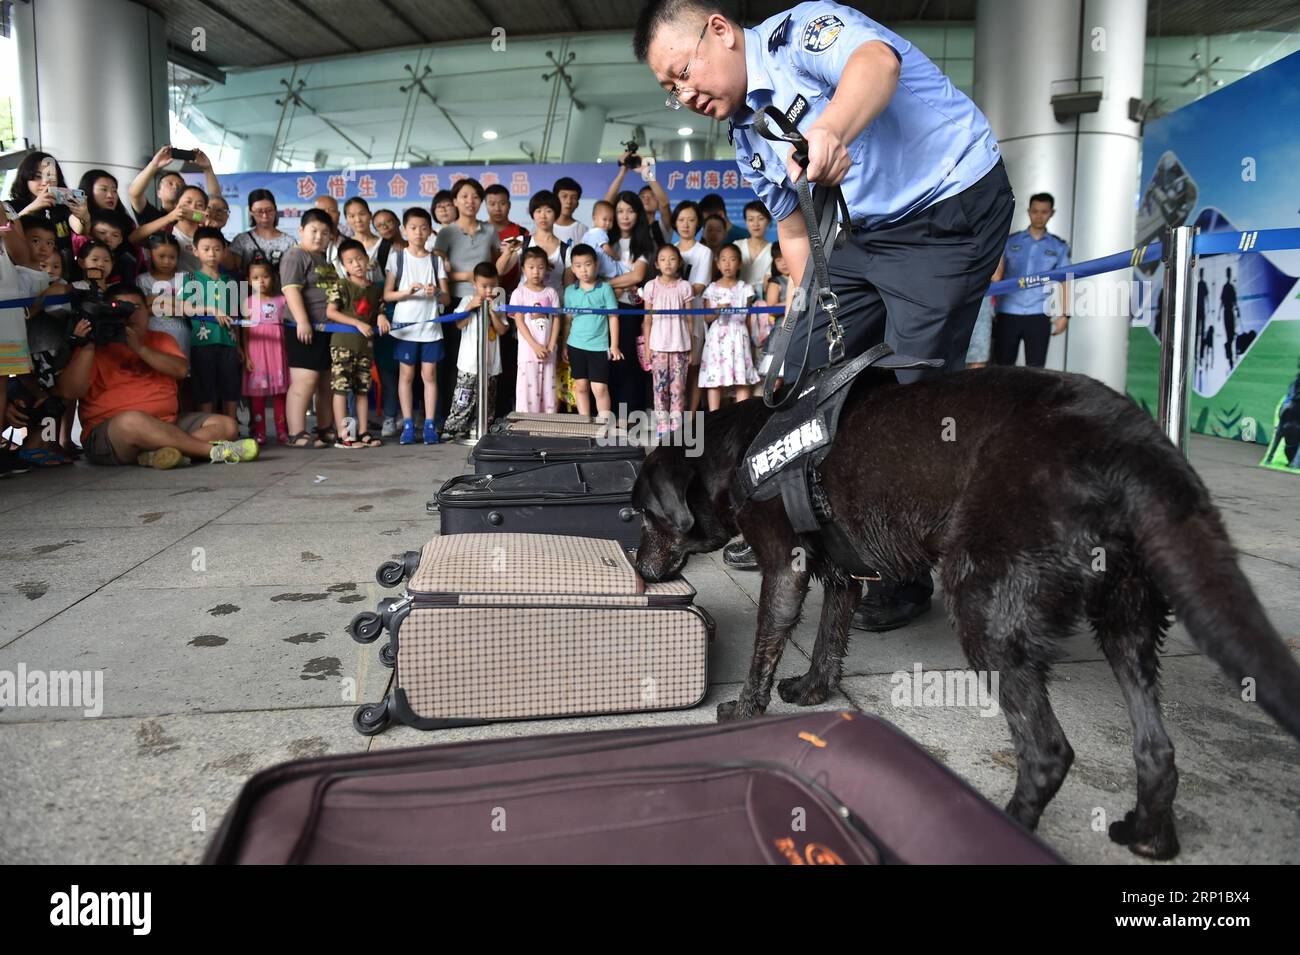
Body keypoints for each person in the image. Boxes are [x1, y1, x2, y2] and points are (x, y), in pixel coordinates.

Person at [636, 0, 1014, 631]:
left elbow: (876, 64)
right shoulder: (746, 136)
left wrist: (831, 127)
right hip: (860, 232)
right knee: (798, 384)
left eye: (682, 73)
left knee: (909, 398)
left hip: (948, 204)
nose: (683, 94)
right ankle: (799, 532)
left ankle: (907, 570)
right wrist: (804, 310)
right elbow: (792, 230)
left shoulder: (798, 37)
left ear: (720, 32)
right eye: (671, 91)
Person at [57, 284, 256, 467]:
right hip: (112, 433)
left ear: (148, 311)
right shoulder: (93, 346)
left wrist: (140, 349)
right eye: (121, 309)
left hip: (167, 422)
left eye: (136, 308)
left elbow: (179, 370)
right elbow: (69, 392)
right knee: (132, 421)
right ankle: (214, 451)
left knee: (226, 425)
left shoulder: (161, 339)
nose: (130, 314)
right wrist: (87, 347)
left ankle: (157, 454)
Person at [434, 178, 501, 430]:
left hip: (486, 303)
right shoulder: (447, 232)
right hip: (458, 305)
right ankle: (451, 421)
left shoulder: (490, 230)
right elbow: (439, 272)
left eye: (475, 197)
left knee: (484, 363)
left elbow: (493, 269)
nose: (469, 201)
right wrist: (470, 276)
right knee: (456, 363)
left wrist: (508, 255)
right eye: (464, 196)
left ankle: (481, 419)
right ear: (455, 201)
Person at [385, 207, 448, 445]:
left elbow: (447, 299)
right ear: (404, 230)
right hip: (406, 329)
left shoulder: (436, 260)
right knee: (407, 375)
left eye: (423, 228)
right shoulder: (397, 258)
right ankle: (409, 424)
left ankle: (430, 424)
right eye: (413, 228)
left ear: (430, 231)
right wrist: (406, 292)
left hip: (431, 329)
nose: (418, 232)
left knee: (429, 375)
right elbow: (387, 295)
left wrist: (437, 292)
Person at [280, 208, 340, 448]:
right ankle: (296, 433)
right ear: (301, 231)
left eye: (325, 233)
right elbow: (290, 289)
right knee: (305, 380)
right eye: (313, 231)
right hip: (303, 328)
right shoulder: (296, 255)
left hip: (326, 330)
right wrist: (302, 321)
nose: (319, 237)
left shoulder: (324, 260)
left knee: (326, 382)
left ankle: (324, 429)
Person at [994, 193, 1070, 367]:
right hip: (1007, 312)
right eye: (1035, 211)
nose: (1039, 216)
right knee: (1001, 371)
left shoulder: (1059, 246)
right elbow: (996, 276)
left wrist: (1065, 315)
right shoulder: (1008, 242)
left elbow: (1065, 280)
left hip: (1038, 314)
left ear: (1052, 213)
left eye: (1044, 212)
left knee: (1036, 372)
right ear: (1029, 212)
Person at [326, 239, 388, 448]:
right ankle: (343, 434)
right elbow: (331, 312)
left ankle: (362, 432)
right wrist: (358, 323)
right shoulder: (342, 284)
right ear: (344, 266)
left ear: (367, 260)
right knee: (341, 389)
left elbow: (379, 309)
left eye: (360, 259)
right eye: (350, 261)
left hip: (365, 347)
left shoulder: (374, 288)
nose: (357, 264)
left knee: (363, 389)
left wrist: (381, 317)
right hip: (343, 345)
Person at [443, 263, 509, 440]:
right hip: (469, 363)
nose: (488, 290)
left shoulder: (499, 303)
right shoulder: (466, 300)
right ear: (474, 284)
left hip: (490, 363)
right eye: (483, 286)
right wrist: (470, 306)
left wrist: (493, 312)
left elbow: (502, 330)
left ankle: (480, 428)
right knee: (463, 397)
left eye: (491, 286)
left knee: (487, 399)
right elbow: (459, 324)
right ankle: (453, 429)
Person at [183, 226, 243, 421]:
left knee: (231, 388)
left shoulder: (231, 281)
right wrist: (211, 310)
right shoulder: (190, 279)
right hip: (202, 344)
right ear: (195, 250)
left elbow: (235, 317)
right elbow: (186, 307)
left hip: (229, 343)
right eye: (206, 248)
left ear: (225, 251)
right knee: (205, 389)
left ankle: (232, 429)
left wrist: (240, 346)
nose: (212, 253)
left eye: (217, 249)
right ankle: (207, 429)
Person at [641, 244, 694, 434]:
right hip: (658, 346)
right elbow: (647, 320)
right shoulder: (651, 287)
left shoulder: (685, 287)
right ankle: (662, 425)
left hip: (680, 345)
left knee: (678, 388)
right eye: (663, 259)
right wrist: (647, 347)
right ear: (656, 264)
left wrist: (692, 346)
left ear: (679, 262)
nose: (668, 263)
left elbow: (690, 319)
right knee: (660, 386)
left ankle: (677, 425)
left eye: (672, 259)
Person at [563, 244, 621, 418]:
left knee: (600, 388)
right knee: (580, 386)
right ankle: (584, 425)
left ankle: (604, 425)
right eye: (578, 265)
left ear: (596, 264)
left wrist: (615, 345)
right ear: (572, 268)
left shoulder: (605, 289)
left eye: (587, 264)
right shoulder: (569, 291)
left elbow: (613, 317)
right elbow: (567, 320)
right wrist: (564, 345)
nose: (583, 270)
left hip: (599, 347)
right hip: (575, 345)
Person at [699, 243, 759, 409]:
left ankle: (742, 416)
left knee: (742, 378)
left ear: (739, 263)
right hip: (717, 338)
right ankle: (714, 415)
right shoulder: (711, 289)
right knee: (714, 378)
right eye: (723, 260)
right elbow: (707, 317)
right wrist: (717, 310)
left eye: (732, 259)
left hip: (739, 335)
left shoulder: (745, 288)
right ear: (717, 264)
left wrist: (752, 342)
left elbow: (747, 317)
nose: (727, 264)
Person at [241, 257, 290, 444]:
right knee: (258, 397)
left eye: (265, 277)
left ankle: (281, 431)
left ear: (274, 278)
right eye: (255, 277)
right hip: (256, 353)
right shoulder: (247, 302)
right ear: (248, 280)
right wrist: (246, 355)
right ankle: (259, 432)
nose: (261, 281)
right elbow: (244, 331)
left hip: (277, 352)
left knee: (280, 394)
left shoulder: (282, 300)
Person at [671, 199, 713, 412]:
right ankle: (675, 411)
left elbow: (698, 286)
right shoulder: (670, 250)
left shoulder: (703, 252)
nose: (686, 224)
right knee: (674, 367)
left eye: (691, 220)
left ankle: (691, 414)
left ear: (698, 224)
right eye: (681, 219)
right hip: (669, 318)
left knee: (693, 365)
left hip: (693, 313)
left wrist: (672, 293)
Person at [509, 246, 561, 414]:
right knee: (528, 393)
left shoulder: (551, 293)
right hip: (528, 353)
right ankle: (526, 428)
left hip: (548, 352)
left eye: (540, 267)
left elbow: (557, 319)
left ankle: (547, 429)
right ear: (523, 268)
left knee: (549, 394)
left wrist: (552, 343)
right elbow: (519, 322)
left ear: (546, 268)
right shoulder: (519, 293)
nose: (536, 272)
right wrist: (534, 346)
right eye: (531, 267)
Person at [127, 146, 222, 227]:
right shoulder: (152, 216)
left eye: (180, 185)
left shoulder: (194, 216)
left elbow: (215, 200)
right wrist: (154, 165)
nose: (176, 187)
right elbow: (135, 194)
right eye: (170, 184)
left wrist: (208, 169)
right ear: (158, 192)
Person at [229, 190, 296, 276]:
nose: (265, 216)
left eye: (269, 210)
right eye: (259, 211)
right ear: (251, 212)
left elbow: (294, 273)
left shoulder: (289, 242)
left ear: (275, 210)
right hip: (248, 289)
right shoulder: (242, 240)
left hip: (281, 289)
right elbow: (234, 270)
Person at [737, 200, 773, 289]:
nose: (756, 224)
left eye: (761, 219)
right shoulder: (737, 246)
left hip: (766, 299)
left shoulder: (774, 250)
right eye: (751, 219)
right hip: (738, 299)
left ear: (768, 221)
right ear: (746, 222)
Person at [552, 176, 588, 245]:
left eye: (574, 198)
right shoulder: (542, 226)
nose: (569, 201)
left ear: (577, 204)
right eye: (564, 196)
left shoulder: (582, 230)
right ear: (555, 199)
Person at [1221, 266, 1239, 370]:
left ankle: (1230, 356)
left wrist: (1237, 310)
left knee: (1231, 335)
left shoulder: (1230, 287)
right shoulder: (1227, 287)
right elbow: (1223, 301)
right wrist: (1219, 314)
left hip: (1229, 312)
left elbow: (1234, 301)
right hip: (1227, 312)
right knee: (1230, 335)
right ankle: (1230, 358)